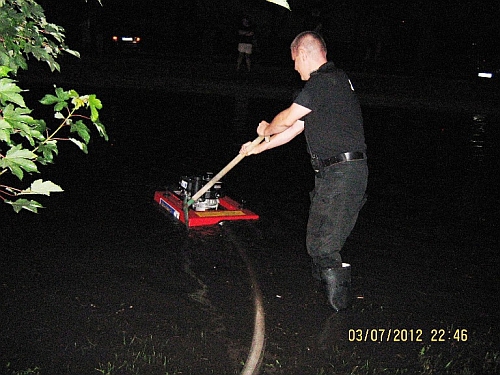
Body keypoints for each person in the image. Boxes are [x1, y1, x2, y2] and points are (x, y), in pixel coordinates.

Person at [240, 31, 368, 312]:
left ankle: (338, 312)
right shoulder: (329, 87)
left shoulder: (324, 81)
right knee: (316, 239)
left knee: (324, 245)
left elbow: (286, 119)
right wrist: (256, 148)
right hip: (333, 174)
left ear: (305, 53)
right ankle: (322, 301)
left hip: (343, 173)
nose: (295, 67)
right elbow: (293, 130)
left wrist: (266, 129)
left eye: (295, 60)